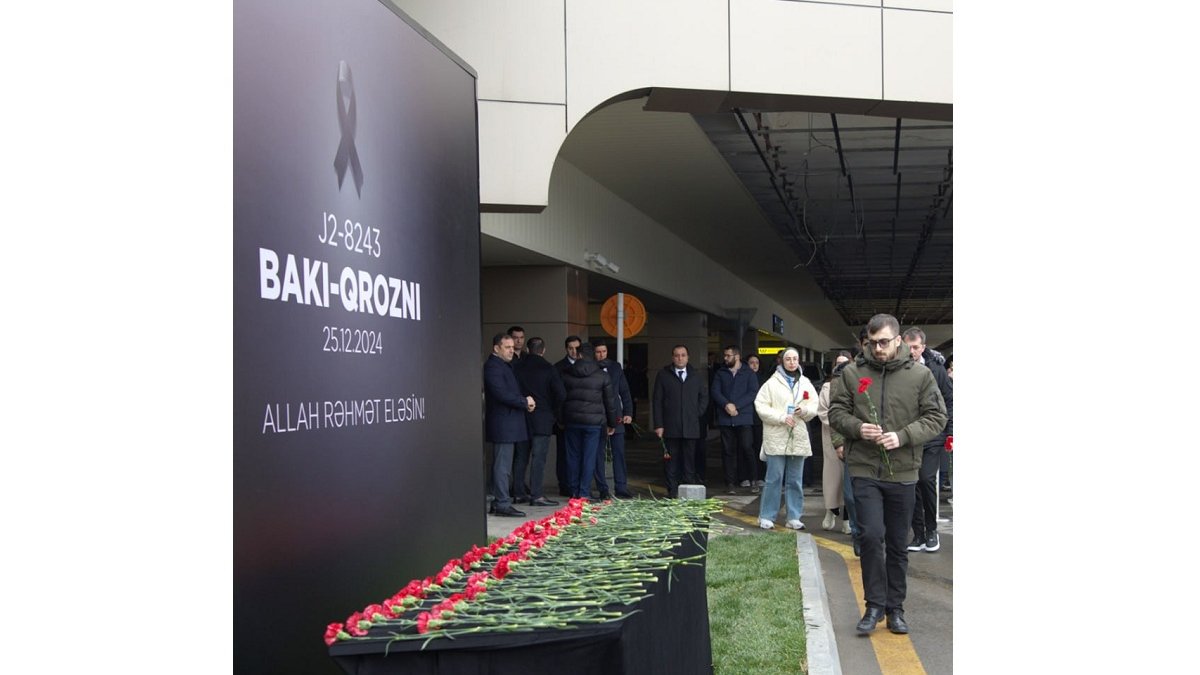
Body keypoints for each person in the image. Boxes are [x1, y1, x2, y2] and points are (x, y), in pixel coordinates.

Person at [828, 313, 947, 636]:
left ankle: (896, 609)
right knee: (869, 536)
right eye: (872, 342)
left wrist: (904, 436)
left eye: (884, 342)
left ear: (898, 341)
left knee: (896, 542)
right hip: (865, 468)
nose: (878, 349)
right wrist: (857, 428)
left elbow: (937, 416)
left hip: (904, 471)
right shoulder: (853, 373)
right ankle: (873, 606)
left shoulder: (920, 375)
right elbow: (836, 413)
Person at [901, 327, 954, 554]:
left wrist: (950, 432)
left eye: (916, 347)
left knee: (926, 480)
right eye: (908, 347)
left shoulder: (936, 369)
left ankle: (932, 531)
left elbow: (949, 400)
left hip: (932, 436)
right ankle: (919, 533)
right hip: (907, 437)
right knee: (911, 484)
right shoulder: (898, 368)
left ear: (923, 347)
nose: (912, 351)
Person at [755, 347, 819, 530]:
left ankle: (794, 516)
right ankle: (767, 515)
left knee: (795, 479)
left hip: (797, 436)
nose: (792, 362)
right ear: (782, 361)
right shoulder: (771, 384)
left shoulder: (805, 382)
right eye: (788, 359)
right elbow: (760, 406)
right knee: (774, 478)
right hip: (776, 437)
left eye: (795, 359)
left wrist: (804, 411)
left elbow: (814, 405)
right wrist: (781, 417)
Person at [484, 332, 536, 517]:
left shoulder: (502, 365)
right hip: (503, 424)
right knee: (502, 466)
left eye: (513, 348)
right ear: (496, 348)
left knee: (503, 465)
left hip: (507, 423)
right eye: (507, 347)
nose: (511, 351)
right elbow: (501, 394)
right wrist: (524, 401)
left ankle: (500, 501)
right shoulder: (493, 366)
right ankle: (502, 503)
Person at [512, 337, 565, 507]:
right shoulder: (548, 368)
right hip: (543, 418)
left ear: (528, 348)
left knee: (521, 457)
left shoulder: (517, 367)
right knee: (539, 459)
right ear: (543, 350)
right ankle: (536, 495)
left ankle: (518, 493)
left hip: (521, 417)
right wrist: (553, 411)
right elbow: (561, 394)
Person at [560, 343, 617, 499]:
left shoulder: (566, 374)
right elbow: (610, 403)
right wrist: (612, 423)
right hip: (594, 422)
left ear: (578, 355)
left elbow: (560, 399)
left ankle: (574, 490)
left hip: (572, 421)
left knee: (573, 456)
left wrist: (561, 419)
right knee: (589, 457)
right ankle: (584, 492)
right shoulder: (602, 375)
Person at [652, 345, 708, 498]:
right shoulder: (663, 375)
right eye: (677, 355)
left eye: (683, 355)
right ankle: (672, 492)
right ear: (672, 357)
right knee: (671, 461)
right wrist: (658, 424)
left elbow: (704, 397)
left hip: (691, 425)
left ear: (688, 357)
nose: (680, 358)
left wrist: (697, 413)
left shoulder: (696, 375)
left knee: (689, 460)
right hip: (671, 425)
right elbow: (657, 401)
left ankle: (688, 491)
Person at [711, 345, 758, 494]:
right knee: (728, 451)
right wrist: (726, 405)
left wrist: (735, 406)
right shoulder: (720, 373)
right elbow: (715, 391)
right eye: (725, 355)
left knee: (747, 448)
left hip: (743, 417)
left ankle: (754, 480)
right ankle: (730, 483)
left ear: (737, 357)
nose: (725, 358)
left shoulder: (749, 373)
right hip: (725, 418)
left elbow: (753, 393)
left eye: (728, 355)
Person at [592, 340, 634, 499]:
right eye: (598, 352)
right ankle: (602, 488)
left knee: (619, 453)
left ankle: (621, 486)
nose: (601, 355)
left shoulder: (616, 367)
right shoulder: (591, 368)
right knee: (598, 454)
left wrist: (628, 412)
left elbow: (624, 391)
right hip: (597, 416)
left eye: (603, 351)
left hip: (616, 416)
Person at [818, 354, 854, 534]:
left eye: (845, 363)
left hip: (852, 437)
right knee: (833, 479)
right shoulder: (827, 386)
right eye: (838, 363)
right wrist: (837, 423)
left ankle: (848, 519)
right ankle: (831, 510)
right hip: (830, 437)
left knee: (851, 482)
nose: (841, 367)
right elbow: (823, 411)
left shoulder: (856, 384)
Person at [553, 335, 583, 497]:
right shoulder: (558, 367)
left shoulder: (586, 365)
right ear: (566, 349)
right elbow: (556, 396)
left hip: (582, 417)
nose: (574, 351)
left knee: (580, 453)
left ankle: (578, 485)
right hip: (564, 418)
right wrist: (560, 419)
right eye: (570, 348)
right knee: (564, 454)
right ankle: (565, 486)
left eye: (577, 348)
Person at [745, 353, 767, 489]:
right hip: (746, 417)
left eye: (756, 363)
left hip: (760, 418)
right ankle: (747, 476)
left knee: (759, 448)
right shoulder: (743, 378)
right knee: (746, 447)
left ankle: (760, 476)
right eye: (751, 362)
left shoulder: (764, 380)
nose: (754, 365)